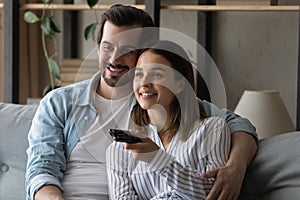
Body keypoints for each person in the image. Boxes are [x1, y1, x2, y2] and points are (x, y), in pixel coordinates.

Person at [25, 4, 257, 200]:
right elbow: (41, 171)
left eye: (127, 50)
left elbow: (238, 124)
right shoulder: (59, 103)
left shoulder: (157, 100)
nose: (114, 58)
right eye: (107, 47)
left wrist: (236, 166)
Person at [106, 40, 232, 199]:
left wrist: (157, 158)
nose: (144, 83)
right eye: (139, 74)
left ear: (180, 84)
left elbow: (214, 193)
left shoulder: (213, 129)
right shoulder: (120, 150)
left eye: (157, 74)